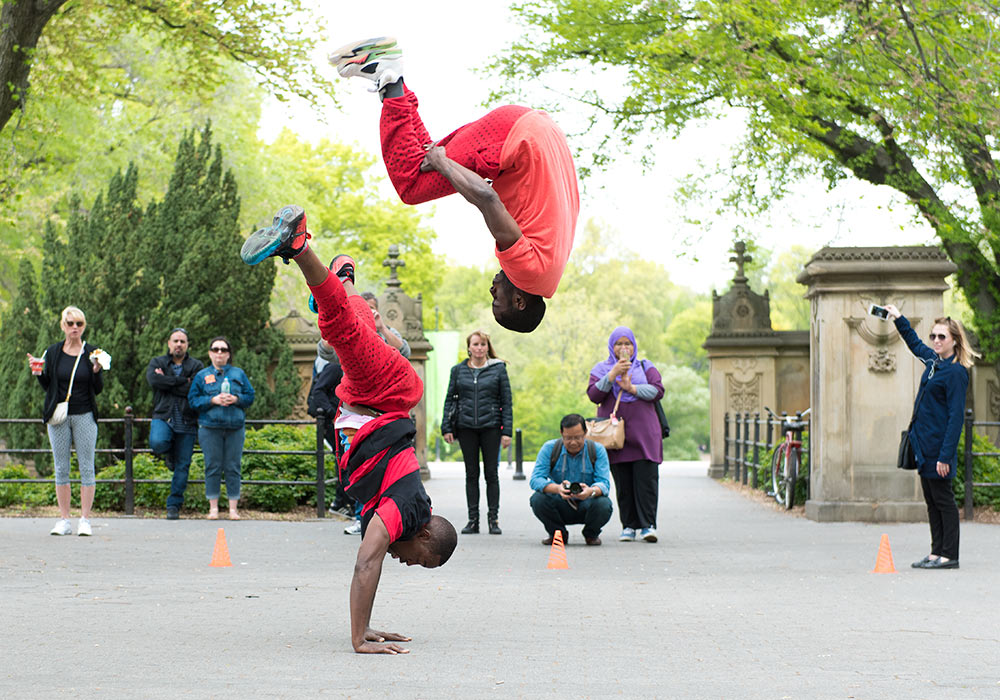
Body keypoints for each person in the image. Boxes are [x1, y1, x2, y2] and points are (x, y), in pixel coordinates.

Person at [240, 203, 457, 654]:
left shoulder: (397, 510)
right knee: (343, 330)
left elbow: (371, 566)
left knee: (352, 322)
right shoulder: (406, 513)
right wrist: (359, 640)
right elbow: (366, 564)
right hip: (387, 391)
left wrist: (369, 624)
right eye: (420, 564)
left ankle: (343, 277)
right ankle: (299, 244)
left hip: (370, 399)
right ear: (423, 537)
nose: (410, 566)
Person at [329, 37, 580, 333]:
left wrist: (440, 161)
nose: (492, 292)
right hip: (518, 139)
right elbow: (487, 198)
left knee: (425, 158)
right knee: (411, 184)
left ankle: (390, 81)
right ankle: (388, 74)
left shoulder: (550, 270)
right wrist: (443, 162)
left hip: (537, 133)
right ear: (520, 301)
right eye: (497, 302)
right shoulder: (528, 272)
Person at [884, 305, 973, 570]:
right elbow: (914, 343)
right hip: (923, 445)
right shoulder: (934, 362)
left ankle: (950, 555)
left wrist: (946, 455)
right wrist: (899, 318)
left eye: (941, 337)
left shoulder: (956, 373)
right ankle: (936, 552)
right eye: (933, 336)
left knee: (943, 500)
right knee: (931, 501)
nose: (935, 340)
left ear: (955, 341)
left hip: (938, 447)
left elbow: (956, 418)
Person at [28, 306, 104, 536]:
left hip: (84, 415)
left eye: (79, 324)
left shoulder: (92, 352)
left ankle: (85, 520)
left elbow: (98, 389)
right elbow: (49, 386)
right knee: (61, 467)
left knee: (87, 467)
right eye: (70, 323)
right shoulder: (52, 352)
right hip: (59, 415)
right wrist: (38, 372)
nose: (74, 328)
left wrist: (97, 370)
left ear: (84, 327)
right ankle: (64, 520)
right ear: (63, 325)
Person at [587, 326, 665, 543]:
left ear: (634, 346)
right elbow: (594, 394)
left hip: (643, 433)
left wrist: (632, 388)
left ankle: (648, 525)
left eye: (627, 344)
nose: (623, 348)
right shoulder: (602, 369)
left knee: (646, 480)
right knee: (623, 481)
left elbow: (658, 390)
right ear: (612, 347)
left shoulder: (645, 366)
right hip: (613, 435)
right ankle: (628, 526)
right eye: (619, 344)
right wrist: (612, 375)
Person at [441, 330, 512, 535]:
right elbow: (450, 400)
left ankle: (493, 519)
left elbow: (506, 402)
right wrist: (447, 427)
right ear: (469, 347)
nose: (479, 348)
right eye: (476, 344)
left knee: (492, 474)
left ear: (487, 347)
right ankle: (473, 520)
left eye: (483, 344)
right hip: (466, 427)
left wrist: (506, 431)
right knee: (471, 474)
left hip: (491, 426)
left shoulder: (498, 369)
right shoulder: (458, 370)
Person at [187, 337, 254, 520]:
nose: (219, 353)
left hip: (235, 427)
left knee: (233, 466)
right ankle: (213, 508)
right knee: (212, 466)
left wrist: (237, 399)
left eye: (223, 350)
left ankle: (233, 509)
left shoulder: (239, 374)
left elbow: (250, 396)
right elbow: (193, 401)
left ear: (228, 354)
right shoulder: (201, 376)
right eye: (215, 349)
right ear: (209, 353)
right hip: (209, 427)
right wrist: (212, 400)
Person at [146, 328, 204, 520]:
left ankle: (173, 505)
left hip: (187, 419)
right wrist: (182, 381)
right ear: (169, 343)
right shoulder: (157, 362)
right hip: (164, 415)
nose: (179, 344)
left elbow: (195, 388)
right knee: (157, 443)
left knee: (183, 465)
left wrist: (168, 381)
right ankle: (168, 454)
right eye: (175, 341)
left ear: (187, 345)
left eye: (183, 341)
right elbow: (154, 381)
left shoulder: (196, 365)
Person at [529, 414, 613, 546]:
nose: (573, 442)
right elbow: (535, 479)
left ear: (585, 433)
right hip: (560, 502)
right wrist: (557, 488)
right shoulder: (550, 448)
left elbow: (604, 484)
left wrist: (590, 491)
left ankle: (591, 534)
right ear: (561, 433)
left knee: (604, 503)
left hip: (587, 502)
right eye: (568, 438)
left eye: (577, 437)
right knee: (537, 499)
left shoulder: (597, 450)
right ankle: (558, 534)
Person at [361, 292, 411, 358]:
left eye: (371, 308)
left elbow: (404, 353)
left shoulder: (387, 331)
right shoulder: (352, 330)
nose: (367, 311)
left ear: (377, 310)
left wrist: (382, 328)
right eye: (364, 308)